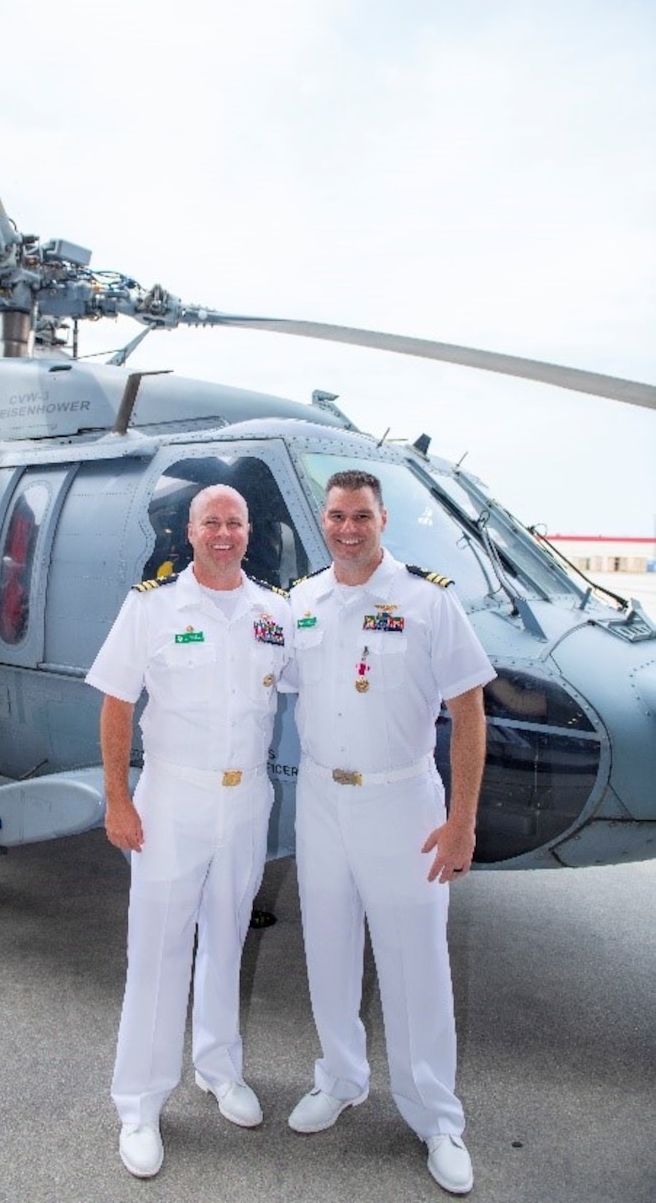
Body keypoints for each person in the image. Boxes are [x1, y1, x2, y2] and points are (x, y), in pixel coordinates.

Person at [283, 469, 495, 1196]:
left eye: (362, 516)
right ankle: (341, 1078)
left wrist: (460, 821)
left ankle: (437, 1116)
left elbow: (469, 713)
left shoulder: (428, 601)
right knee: (328, 948)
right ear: (324, 520)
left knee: (417, 965)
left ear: (383, 519)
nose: (348, 528)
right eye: (338, 516)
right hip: (320, 799)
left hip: (403, 803)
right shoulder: (301, 601)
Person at [85, 484, 291, 1179]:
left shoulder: (274, 612)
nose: (224, 533)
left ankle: (218, 1067)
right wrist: (119, 800)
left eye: (234, 522)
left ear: (248, 530)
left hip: (246, 799)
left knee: (227, 937)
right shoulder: (153, 606)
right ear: (190, 531)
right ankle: (139, 1105)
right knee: (158, 951)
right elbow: (117, 705)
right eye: (212, 522)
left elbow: (317, 684)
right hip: (172, 797)